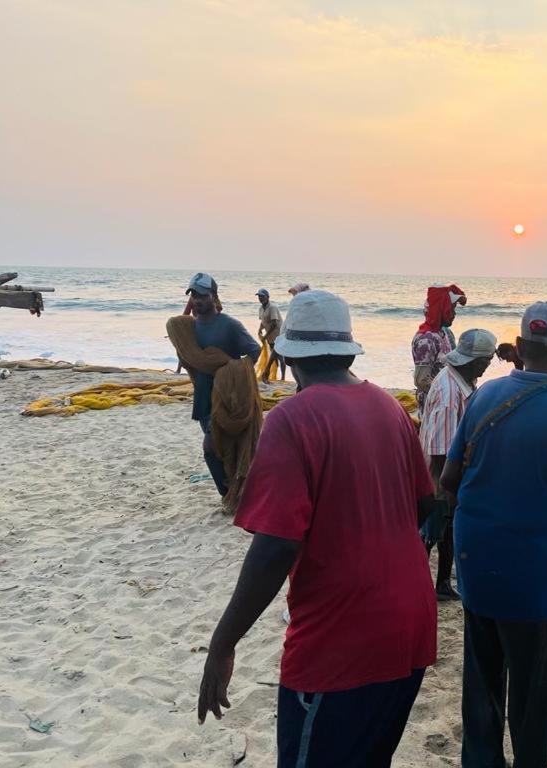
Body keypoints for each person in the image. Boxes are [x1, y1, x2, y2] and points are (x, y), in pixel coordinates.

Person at [197, 290, 438, 766]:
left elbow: (275, 548)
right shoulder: (389, 407)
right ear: (348, 350)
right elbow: (425, 505)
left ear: (287, 354)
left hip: (340, 643)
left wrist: (221, 646)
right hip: (410, 625)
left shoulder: (292, 419)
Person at [441, 302, 547, 768]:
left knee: (481, 680)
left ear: (521, 347)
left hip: (476, 564)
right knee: (534, 696)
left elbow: (449, 481)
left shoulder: (483, 397)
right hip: (533, 575)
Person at [418, 328, 497, 601]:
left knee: (446, 534)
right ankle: (420, 583)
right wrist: (449, 492)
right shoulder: (451, 396)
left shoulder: (457, 381)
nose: (487, 367)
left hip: (442, 477)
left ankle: (440, 584)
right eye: (486, 361)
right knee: (431, 535)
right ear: (474, 361)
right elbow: (442, 452)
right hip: (438, 479)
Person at [177, 273, 260, 498]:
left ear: (213, 296)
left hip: (228, 397)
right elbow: (189, 355)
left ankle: (228, 493)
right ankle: (232, 491)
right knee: (220, 446)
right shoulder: (189, 328)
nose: (197, 299)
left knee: (211, 446)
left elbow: (255, 351)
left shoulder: (230, 325)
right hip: (203, 394)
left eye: (202, 295)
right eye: (193, 294)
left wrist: (234, 377)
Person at [412, 284, 467, 410]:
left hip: (446, 400)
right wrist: (448, 395)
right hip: (436, 403)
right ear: (440, 309)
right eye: (451, 309)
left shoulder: (445, 333)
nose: (454, 313)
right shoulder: (426, 339)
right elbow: (422, 381)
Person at [256, 288, 285, 383]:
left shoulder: (272, 307)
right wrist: (260, 329)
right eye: (259, 296)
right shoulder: (261, 308)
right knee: (274, 356)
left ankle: (283, 378)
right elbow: (263, 321)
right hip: (270, 337)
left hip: (278, 335)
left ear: (268, 297)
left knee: (280, 356)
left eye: (262, 296)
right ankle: (274, 375)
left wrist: (265, 335)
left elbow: (274, 324)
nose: (260, 298)